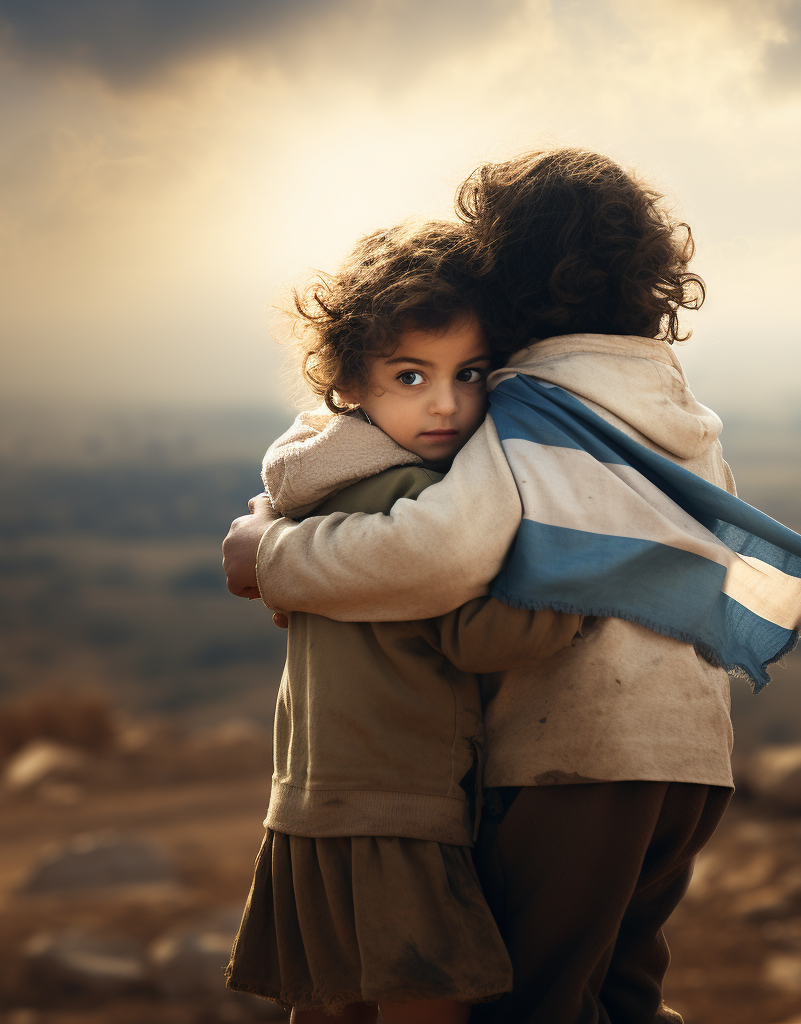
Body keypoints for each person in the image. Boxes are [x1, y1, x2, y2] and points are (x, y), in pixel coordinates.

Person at [224, 149, 801, 1024]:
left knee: (535, 1004)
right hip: (692, 764)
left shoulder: (532, 405)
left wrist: (273, 554)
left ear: (506, 277)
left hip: (575, 762)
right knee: (622, 991)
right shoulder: (675, 405)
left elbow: (440, 554)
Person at [223, 220, 584, 1024]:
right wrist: (580, 595)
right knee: (430, 1000)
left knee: (336, 1001)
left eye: (471, 373)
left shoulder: (309, 487)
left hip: (309, 807)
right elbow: (476, 634)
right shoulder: (408, 503)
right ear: (349, 383)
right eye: (411, 376)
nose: (448, 404)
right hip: (397, 807)